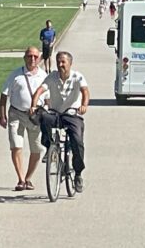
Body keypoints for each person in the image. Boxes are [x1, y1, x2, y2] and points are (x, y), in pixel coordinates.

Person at [30, 51, 90, 192]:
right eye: (58, 62)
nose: (60, 65)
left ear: (70, 63)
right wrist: (33, 105)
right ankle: (51, 148)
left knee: (77, 142)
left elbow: (85, 91)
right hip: (55, 113)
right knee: (44, 117)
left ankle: (78, 173)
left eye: (63, 62)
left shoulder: (78, 77)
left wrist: (84, 105)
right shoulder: (52, 77)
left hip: (72, 114)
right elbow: (39, 91)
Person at [0, 47, 47, 191]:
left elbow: (49, 97)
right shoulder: (15, 75)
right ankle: (20, 179)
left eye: (35, 56)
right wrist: (2, 115)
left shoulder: (44, 76)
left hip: (36, 116)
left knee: (36, 149)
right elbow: (4, 95)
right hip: (16, 114)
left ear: (39, 58)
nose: (32, 59)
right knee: (16, 146)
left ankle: (28, 178)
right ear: (24, 58)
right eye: (29, 56)